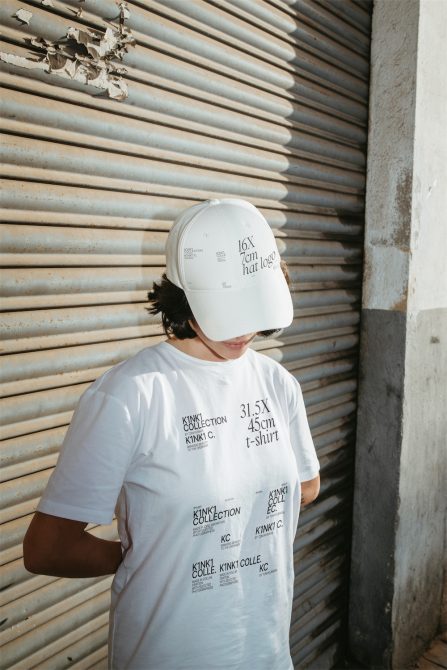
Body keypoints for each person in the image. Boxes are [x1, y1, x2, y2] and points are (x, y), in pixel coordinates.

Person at [23, 198, 320, 670]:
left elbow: (306, 485)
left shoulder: (277, 383)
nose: (245, 330)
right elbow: (47, 548)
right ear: (183, 298)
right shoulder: (128, 396)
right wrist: (147, 556)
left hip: (267, 653)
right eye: (228, 309)